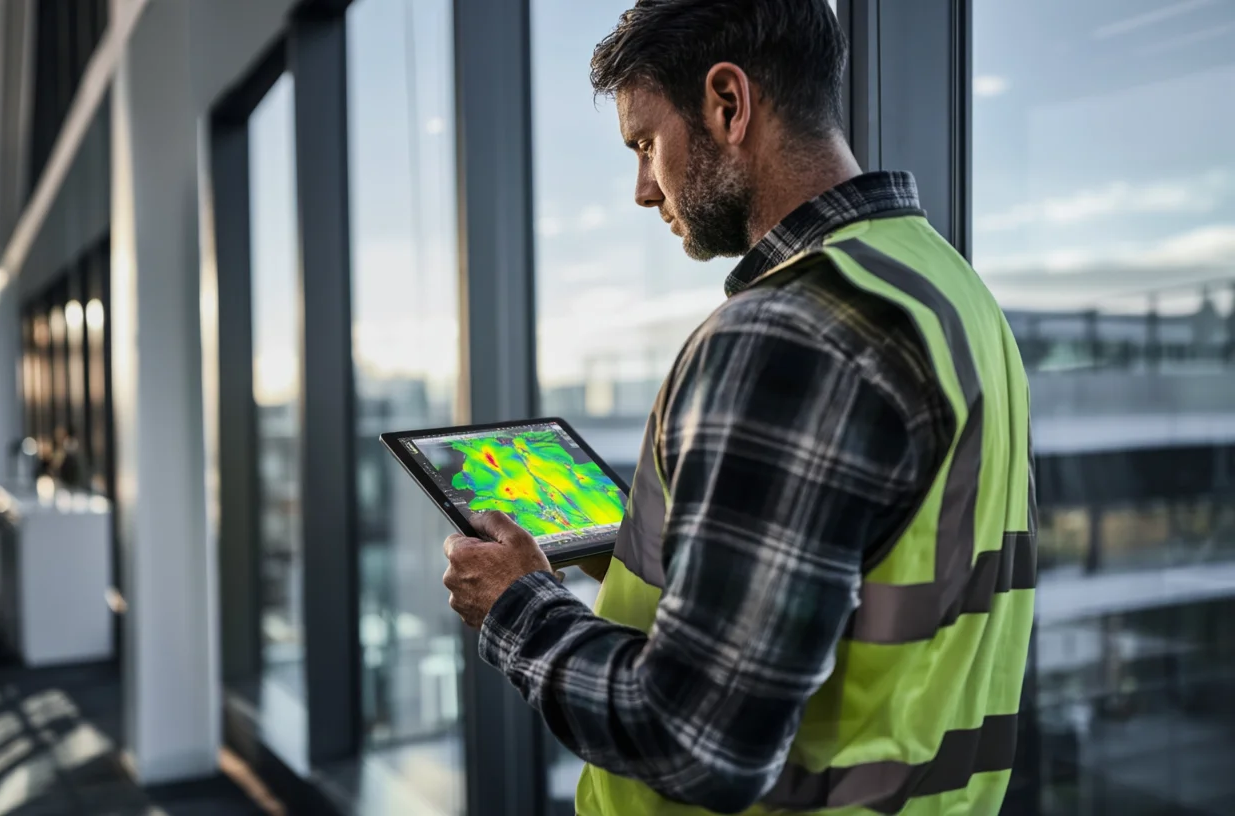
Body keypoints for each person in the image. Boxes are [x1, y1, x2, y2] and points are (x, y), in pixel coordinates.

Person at [440, 1, 1036, 814]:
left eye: (646, 144)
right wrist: (652, 553)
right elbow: (859, 571)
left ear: (728, 104)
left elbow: (698, 743)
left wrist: (516, 606)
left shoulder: (788, 331)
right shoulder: (947, 289)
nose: (643, 190)